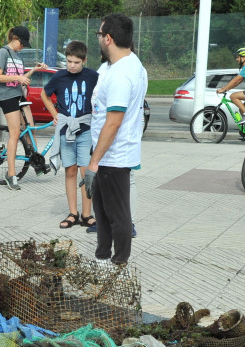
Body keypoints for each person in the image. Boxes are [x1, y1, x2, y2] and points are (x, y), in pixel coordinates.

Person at [81, 13, 145, 266]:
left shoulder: (121, 75)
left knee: (118, 216)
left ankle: (118, 265)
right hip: (107, 154)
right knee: (103, 214)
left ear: (108, 38)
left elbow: (114, 122)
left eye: (99, 34)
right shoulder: (123, 64)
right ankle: (102, 258)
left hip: (113, 156)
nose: (97, 38)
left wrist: (93, 162)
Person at [40, 40, 97, 229]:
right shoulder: (59, 76)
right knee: (70, 171)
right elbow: (44, 94)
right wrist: (55, 115)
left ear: (84, 60)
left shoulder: (93, 76)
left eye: (76, 62)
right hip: (66, 132)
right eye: (69, 61)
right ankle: (73, 212)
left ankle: (87, 214)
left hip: (85, 130)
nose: (72, 66)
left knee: (85, 172)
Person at [0, 26, 48, 190]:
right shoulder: (3, 52)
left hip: (18, 94)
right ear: (14, 38)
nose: (23, 47)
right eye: (22, 43)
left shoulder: (18, 56)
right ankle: (11, 174)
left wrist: (33, 70)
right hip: (7, 96)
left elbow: (20, 78)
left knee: (30, 128)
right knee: (15, 133)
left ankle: (36, 161)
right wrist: (17, 77)